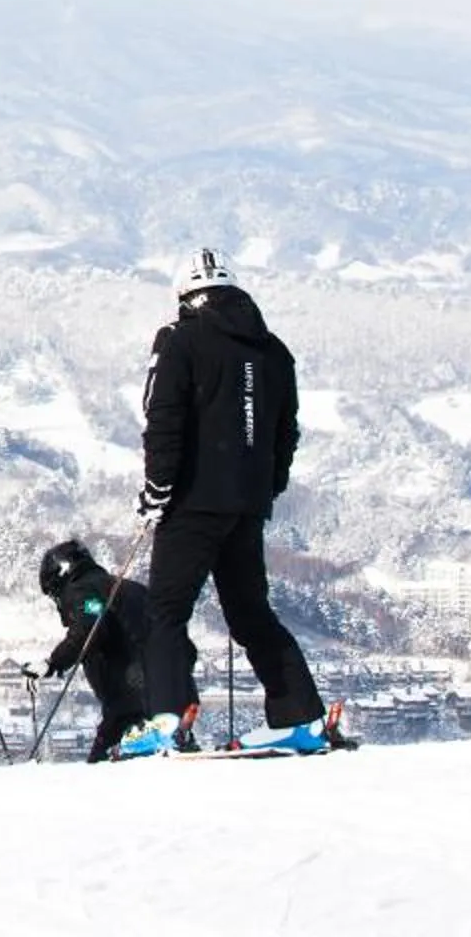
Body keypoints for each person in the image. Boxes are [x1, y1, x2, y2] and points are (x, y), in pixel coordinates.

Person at [119, 250, 331, 756]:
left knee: (165, 613)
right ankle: (300, 717)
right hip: (248, 506)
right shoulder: (274, 351)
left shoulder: (180, 341)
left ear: (185, 296)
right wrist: (267, 487)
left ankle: (169, 720)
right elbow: (286, 431)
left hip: (191, 503)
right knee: (251, 613)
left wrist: (157, 491)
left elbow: (164, 421)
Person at [27, 537, 167, 762]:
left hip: (129, 698)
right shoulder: (121, 586)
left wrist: (53, 663)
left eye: (54, 594)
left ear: (59, 578)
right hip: (163, 688)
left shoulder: (81, 590)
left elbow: (88, 630)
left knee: (102, 764)